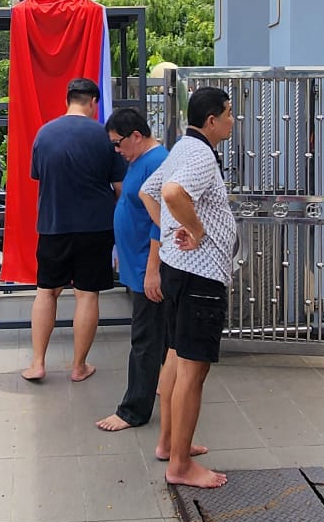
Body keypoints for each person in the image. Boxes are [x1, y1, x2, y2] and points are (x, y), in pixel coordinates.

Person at [139, 86, 237, 490]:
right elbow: (170, 192)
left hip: (179, 270)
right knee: (193, 372)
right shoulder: (197, 154)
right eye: (229, 113)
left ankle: (169, 443)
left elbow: (149, 191)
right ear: (211, 120)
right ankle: (179, 465)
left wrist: (174, 227)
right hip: (200, 277)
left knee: (177, 359)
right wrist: (194, 230)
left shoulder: (182, 147)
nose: (234, 120)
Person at [23, 76, 124, 384]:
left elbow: (38, 176)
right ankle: (79, 366)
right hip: (96, 226)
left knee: (46, 292)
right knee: (87, 295)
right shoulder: (104, 136)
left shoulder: (44, 133)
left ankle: (38, 363)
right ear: (93, 102)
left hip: (54, 225)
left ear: (67, 100)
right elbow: (119, 187)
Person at [96, 106, 168, 434]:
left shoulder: (157, 161)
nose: (117, 151)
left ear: (136, 136)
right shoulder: (140, 160)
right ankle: (157, 382)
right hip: (137, 263)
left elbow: (162, 223)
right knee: (157, 337)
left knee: (145, 338)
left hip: (147, 267)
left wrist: (152, 270)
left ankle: (133, 410)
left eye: (118, 143)